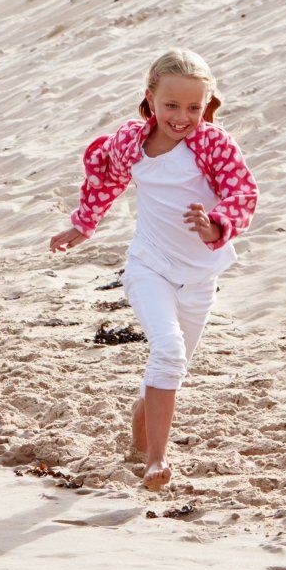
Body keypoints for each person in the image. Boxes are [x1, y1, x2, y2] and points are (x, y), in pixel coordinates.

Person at [48, 49, 258, 491]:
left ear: (207, 104)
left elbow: (242, 192)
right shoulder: (130, 143)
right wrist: (82, 225)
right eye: (171, 106)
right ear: (150, 99)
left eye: (194, 107)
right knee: (168, 351)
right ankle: (157, 463)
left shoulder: (213, 145)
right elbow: (105, 178)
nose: (182, 117)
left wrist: (215, 223)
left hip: (200, 276)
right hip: (149, 266)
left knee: (170, 368)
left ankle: (141, 435)